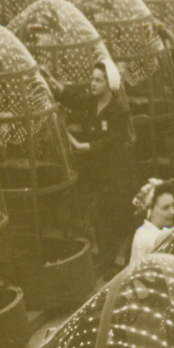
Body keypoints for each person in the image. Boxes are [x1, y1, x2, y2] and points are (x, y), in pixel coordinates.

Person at [43, 59, 135, 267]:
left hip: (116, 168)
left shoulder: (119, 111)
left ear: (109, 84)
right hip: (95, 166)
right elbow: (72, 98)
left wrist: (85, 146)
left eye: (98, 80)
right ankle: (103, 248)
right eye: (92, 79)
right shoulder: (91, 102)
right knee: (96, 206)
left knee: (118, 209)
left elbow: (112, 141)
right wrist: (54, 84)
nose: (93, 84)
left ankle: (121, 250)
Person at [130, 178, 174, 263]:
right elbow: (164, 237)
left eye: (173, 205)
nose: (173, 212)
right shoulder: (143, 235)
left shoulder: (162, 230)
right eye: (165, 208)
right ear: (150, 211)